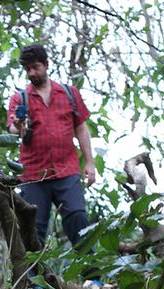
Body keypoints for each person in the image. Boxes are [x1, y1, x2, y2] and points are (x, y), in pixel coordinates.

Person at [6, 43, 97, 248]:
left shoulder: (69, 93)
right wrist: (18, 126)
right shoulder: (20, 99)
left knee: (78, 218)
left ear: (46, 65)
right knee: (33, 229)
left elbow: (81, 128)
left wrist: (89, 163)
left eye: (36, 67)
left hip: (67, 170)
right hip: (34, 174)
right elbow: (12, 127)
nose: (32, 72)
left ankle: (93, 279)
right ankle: (35, 279)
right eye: (27, 69)